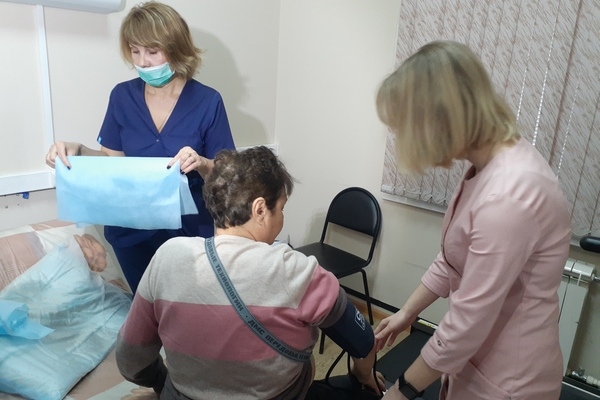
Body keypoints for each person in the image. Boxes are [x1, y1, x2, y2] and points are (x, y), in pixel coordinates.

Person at [374, 40, 571, 400]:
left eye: (406, 128)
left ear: (438, 120)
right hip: (477, 361)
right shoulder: (488, 166)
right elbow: (454, 259)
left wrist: (401, 391)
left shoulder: (509, 194)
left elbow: (466, 325)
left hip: (508, 381)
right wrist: (407, 313)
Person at [115, 146, 385, 399]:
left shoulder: (167, 257)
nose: (282, 218)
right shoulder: (298, 271)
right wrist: (362, 377)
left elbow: (130, 360)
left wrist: (164, 383)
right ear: (260, 210)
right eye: (281, 209)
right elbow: (362, 341)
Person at [44, 1, 235, 293]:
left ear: (176, 48)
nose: (143, 62)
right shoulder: (122, 97)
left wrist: (202, 163)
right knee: (145, 305)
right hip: (131, 230)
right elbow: (112, 161)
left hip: (189, 233)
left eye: (152, 51)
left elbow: (227, 176)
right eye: (135, 51)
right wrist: (78, 151)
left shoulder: (207, 101)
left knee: (186, 308)